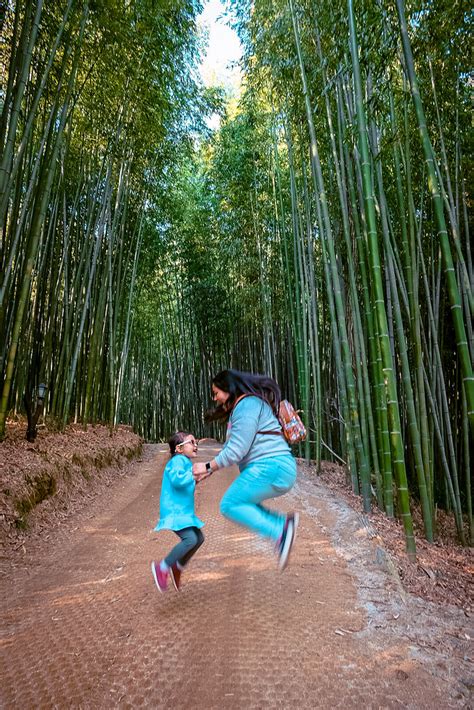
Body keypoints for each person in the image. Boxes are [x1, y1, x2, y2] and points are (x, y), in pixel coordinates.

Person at [193, 369, 298, 571]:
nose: (215, 399)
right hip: (274, 467)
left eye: (216, 393)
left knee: (230, 504)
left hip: (272, 466)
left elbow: (236, 450)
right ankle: (282, 524)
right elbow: (231, 448)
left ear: (229, 388)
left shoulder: (247, 405)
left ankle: (279, 531)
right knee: (244, 501)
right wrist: (211, 469)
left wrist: (207, 465)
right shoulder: (245, 406)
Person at [151, 432, 204, 593]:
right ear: (179, 449)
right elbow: (177, 480)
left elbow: (187, 480)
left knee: (199, 538)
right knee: (190, 539)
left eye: (196, 443)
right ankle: (163, 567)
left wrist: (200, 475)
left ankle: (178, 565)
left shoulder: (184, 461)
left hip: (184, 513)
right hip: (175, 513)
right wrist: (193, 475)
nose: (195, 446)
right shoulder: (177, 461)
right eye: (191, 442)